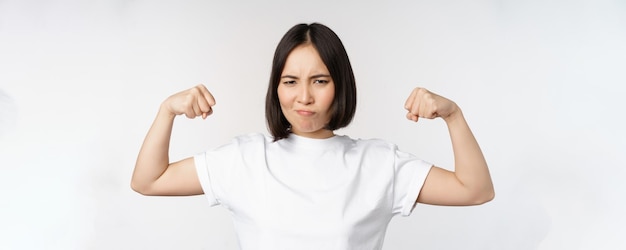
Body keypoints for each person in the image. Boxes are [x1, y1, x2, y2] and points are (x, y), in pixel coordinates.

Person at [131, 23, 494, 249]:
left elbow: (475, 190)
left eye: (319, 81)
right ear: (276, 88)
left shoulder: (379, 163)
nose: (303, 97)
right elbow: (149, 180)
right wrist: (166, 111)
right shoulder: (245, 159)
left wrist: (453, 115)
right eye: (290, 82)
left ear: (340, 86)